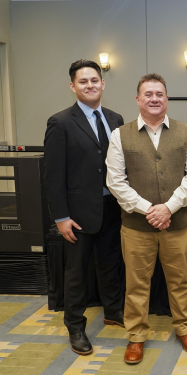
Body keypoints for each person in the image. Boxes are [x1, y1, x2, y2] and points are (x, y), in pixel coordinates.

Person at [106, 73, 187, 364]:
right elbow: (116, 182)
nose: (154, 98)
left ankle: (184, 329)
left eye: (159, 94)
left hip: (178, 224)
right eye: (148, 94)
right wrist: (150, 209)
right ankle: (136, 336)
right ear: (138, 99)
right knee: (137, 283)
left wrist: (168, 208)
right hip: (136, 226)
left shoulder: (186, 132)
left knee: (180, 280)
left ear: (166, 98)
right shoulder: (119, 135)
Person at [44, 59, 125, 355]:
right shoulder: (61, 122)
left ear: (103, 83)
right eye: (83, 82)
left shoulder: (115, 119)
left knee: (111, 264)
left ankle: (114, 311)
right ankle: (75, 326)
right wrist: (61, 217)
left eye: (94, 80)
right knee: (76, 272)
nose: (90, 85)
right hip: (77, 214)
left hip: (112, 208)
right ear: (73, 86)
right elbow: (53, 175)